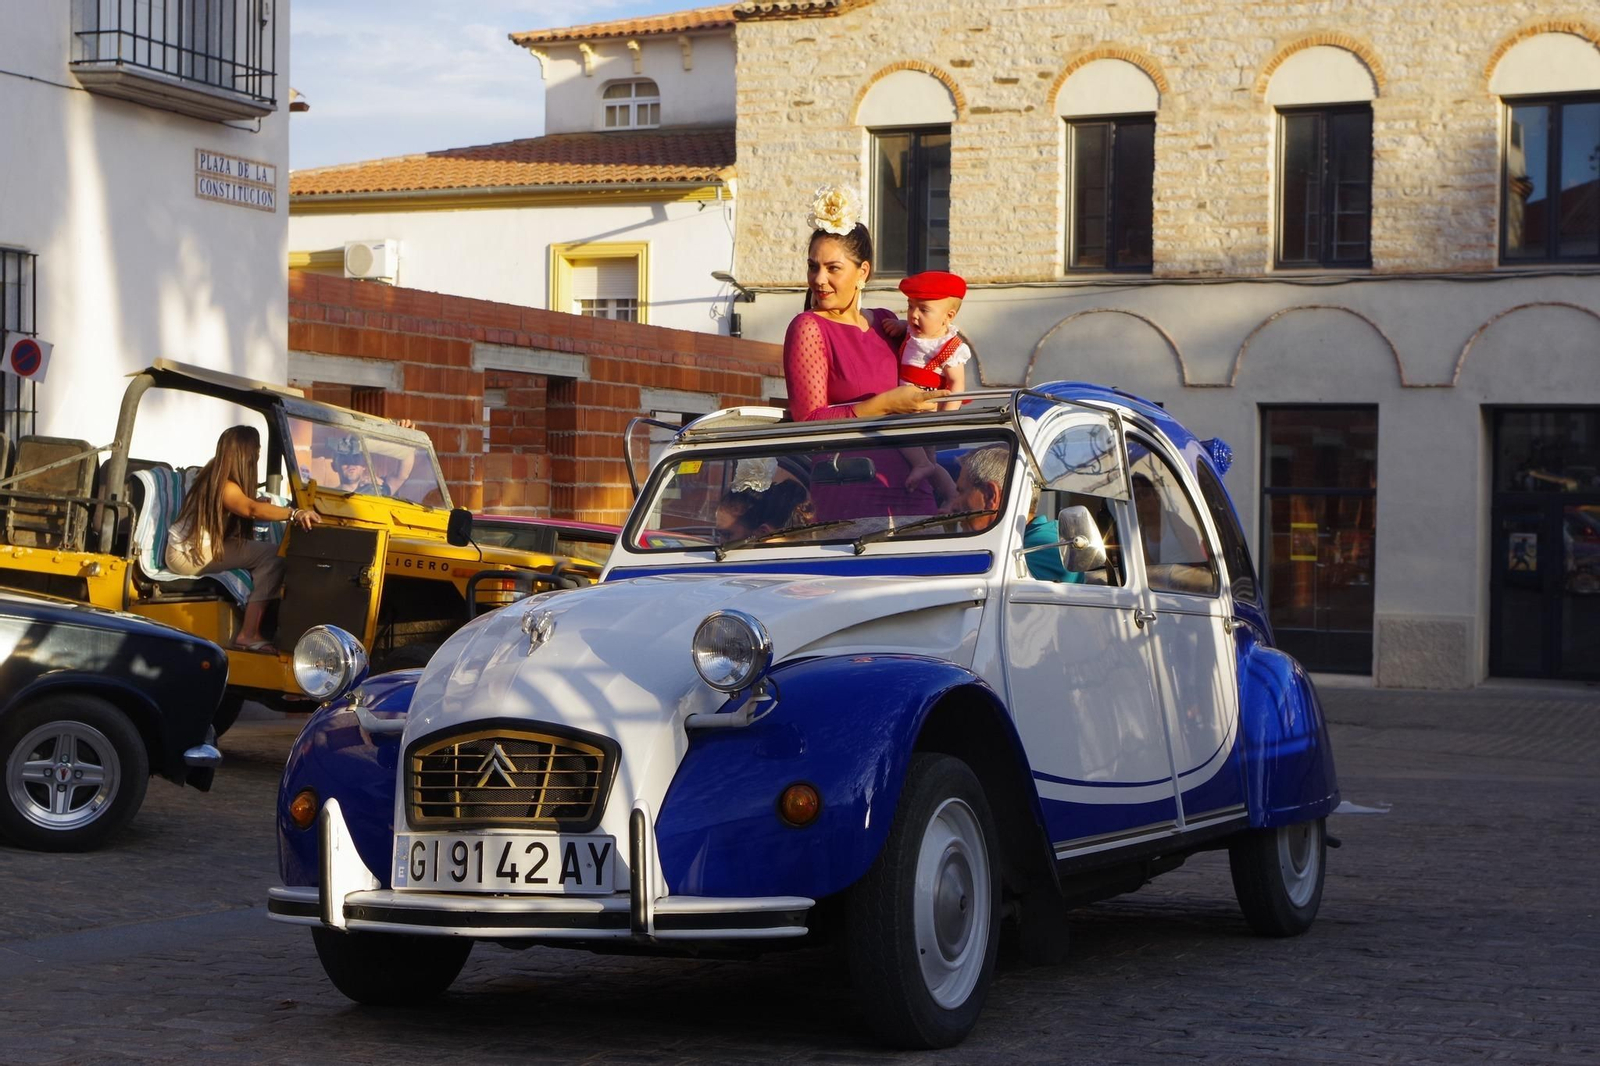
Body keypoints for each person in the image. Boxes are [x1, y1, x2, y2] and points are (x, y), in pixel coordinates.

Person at [782, 184, 954, 515]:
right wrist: (884, 405)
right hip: (850, 493)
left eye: (833, 268)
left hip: (915, 490)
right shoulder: (809, 327)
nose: (819, 279)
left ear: (863, 272)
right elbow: (808, 421)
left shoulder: (887, 322)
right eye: (813, 266)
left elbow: (932, 360)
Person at [166, 426, 319, 653]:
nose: (258, 456)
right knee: (273, 557)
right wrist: (295, 514)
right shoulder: (224, 484)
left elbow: (245, 506)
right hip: (186, 555)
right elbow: (250, 509)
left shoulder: (216, 474)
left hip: (197, 549)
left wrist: (260, 505)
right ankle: (248, 634)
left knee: (265, 551)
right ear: (246, 454)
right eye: (256, 450)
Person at [951, 445, 1082, 583]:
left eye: (961, 491)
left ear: (990, 496)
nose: (953, 506)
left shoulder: (1036, 547)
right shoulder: (1043, 536)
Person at [895, 270, 971, 413]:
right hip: (900, 409)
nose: (914, 314)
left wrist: (946, 417)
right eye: (910, 306)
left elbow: (956, 384)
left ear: (948, 316)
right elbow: (907, 326)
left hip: (928, 414)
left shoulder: (949, 348)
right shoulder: (911, 332)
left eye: (924, 310)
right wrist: (899, 325)